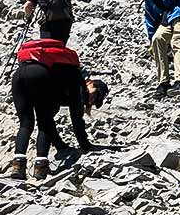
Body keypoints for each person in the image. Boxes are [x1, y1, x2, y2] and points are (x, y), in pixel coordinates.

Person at [9, 38, 109, 180]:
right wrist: (86, 146)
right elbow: (76, 119)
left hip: (19, 75)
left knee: (26, 123)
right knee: (44, 123)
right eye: (96, 94)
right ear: (90, 83)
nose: (92, 100)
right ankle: (40, 168)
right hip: (40, 76)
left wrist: (61, 146)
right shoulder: (76, 81)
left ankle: (18, 166)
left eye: (95, 101)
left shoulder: (62, 75)